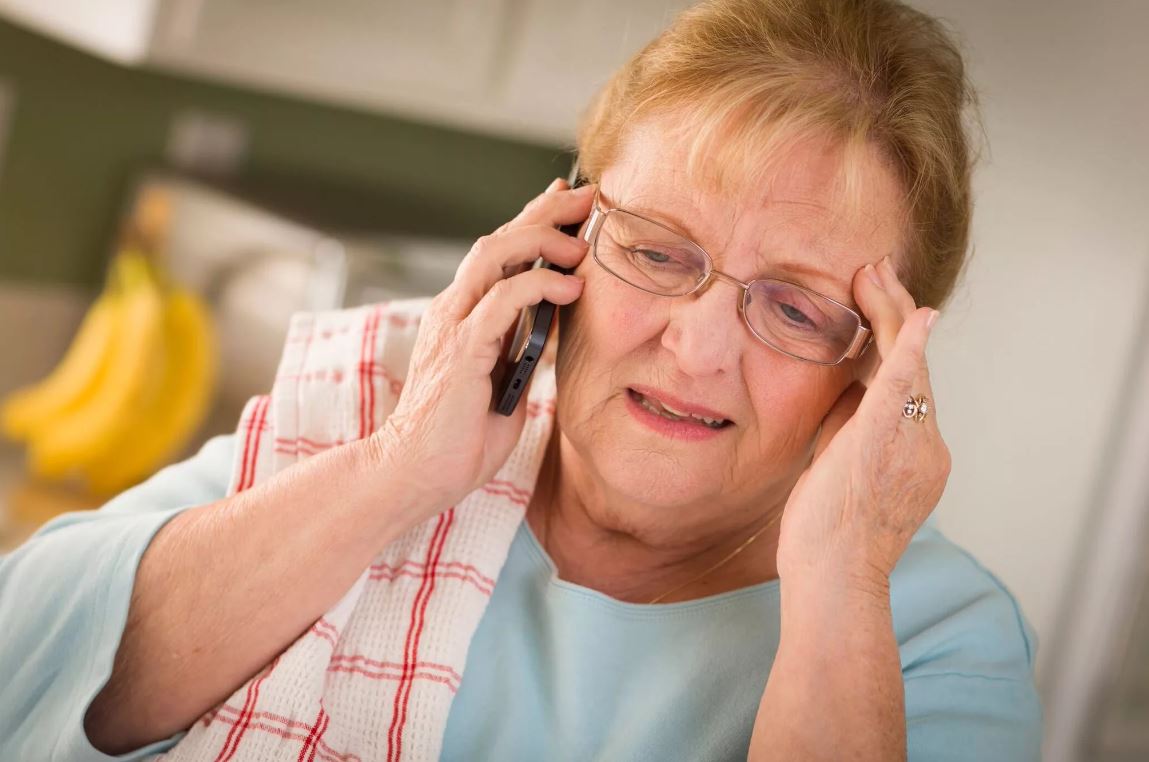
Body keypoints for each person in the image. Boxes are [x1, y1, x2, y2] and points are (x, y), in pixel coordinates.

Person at [0, 0, 1042, 759]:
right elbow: (26, 672)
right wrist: (399, 472)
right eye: (660, 252)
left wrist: (839, 588)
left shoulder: (936, 636)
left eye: (798, 308)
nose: (697, 347)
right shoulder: (382, 407)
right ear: (565, 235)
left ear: (881, 365)